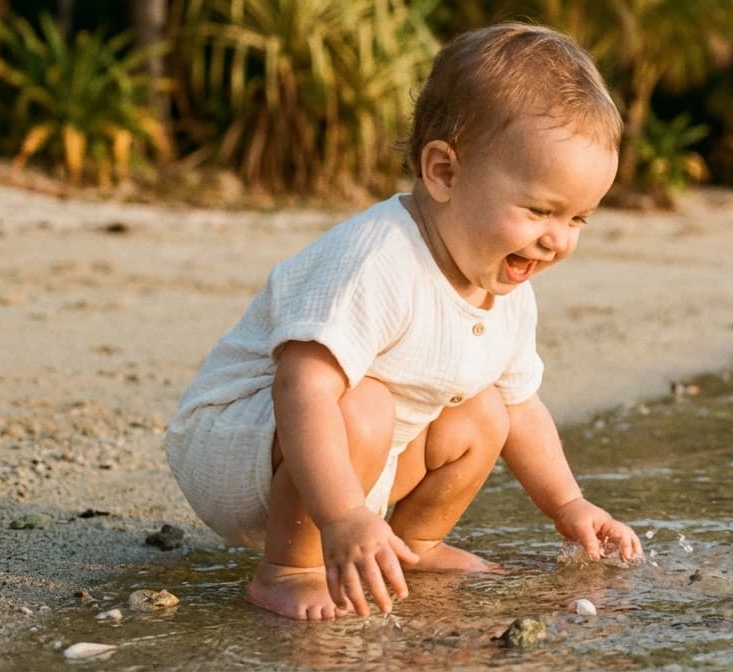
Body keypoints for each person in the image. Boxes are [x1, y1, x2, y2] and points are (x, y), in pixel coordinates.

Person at [164, 23, 644, 621]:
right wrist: (342, 515)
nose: (555, 240)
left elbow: (522, 408)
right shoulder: (378, 258)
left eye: (578, 219)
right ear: (443, 172)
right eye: (539, 210)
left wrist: (569, 505)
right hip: (240, 447)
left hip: (352, 458)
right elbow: (303, 385)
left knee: (487, 411)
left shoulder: (505, 283)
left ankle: (414, 545)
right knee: (364, 401)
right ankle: (288, 569)